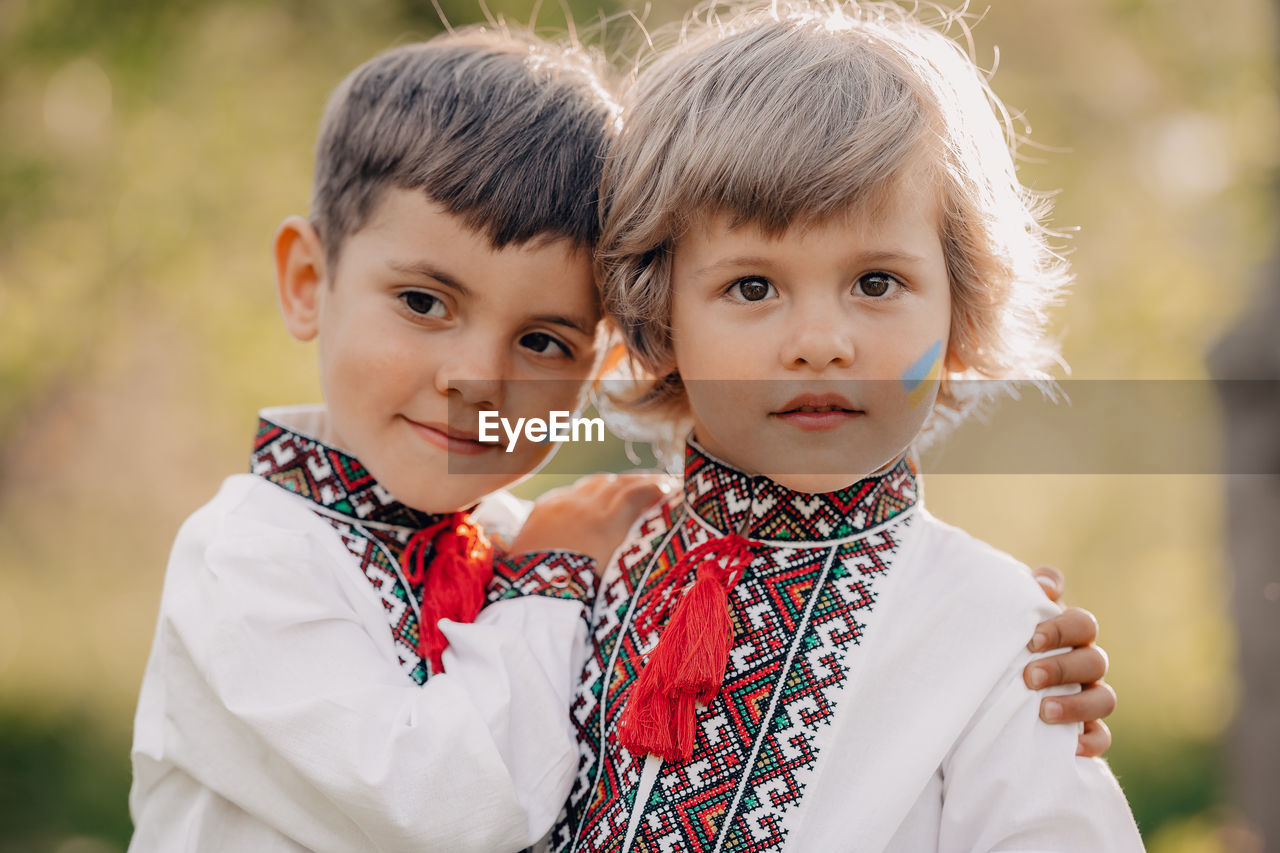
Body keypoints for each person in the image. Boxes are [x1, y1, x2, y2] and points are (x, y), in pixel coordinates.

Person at [526, 2, 1144, 849]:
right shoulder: (575, 567)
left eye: (877, 282)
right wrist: (540, 568)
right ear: (658, 314)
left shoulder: (1001, 632)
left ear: (960, 307)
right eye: (752, 287)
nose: (820, 343)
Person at [127, 28, 666, 852]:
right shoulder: (247, 558)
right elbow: (439, 811)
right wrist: (551, 580)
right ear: (310, 282)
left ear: (601, 366)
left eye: (544, 341)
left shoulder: (526, 543)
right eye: (423, 302)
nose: (478, 377)